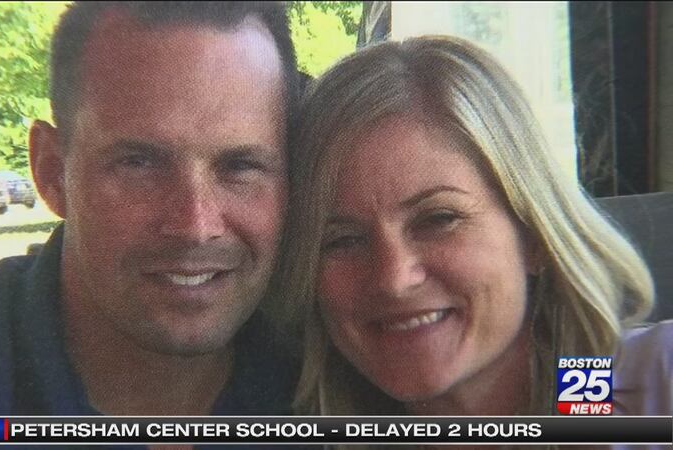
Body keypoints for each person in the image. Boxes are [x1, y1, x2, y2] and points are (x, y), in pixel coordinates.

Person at [0, 1, 301, 422]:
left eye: (241, 167)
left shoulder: (325, 373)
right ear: (52, 173)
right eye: (139, 163)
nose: (195, 226)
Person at [277, 35, 670, 424]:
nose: (394, 279)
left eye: (438, 219)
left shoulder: (647, 382)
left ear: (533, 234)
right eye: (343, 241)